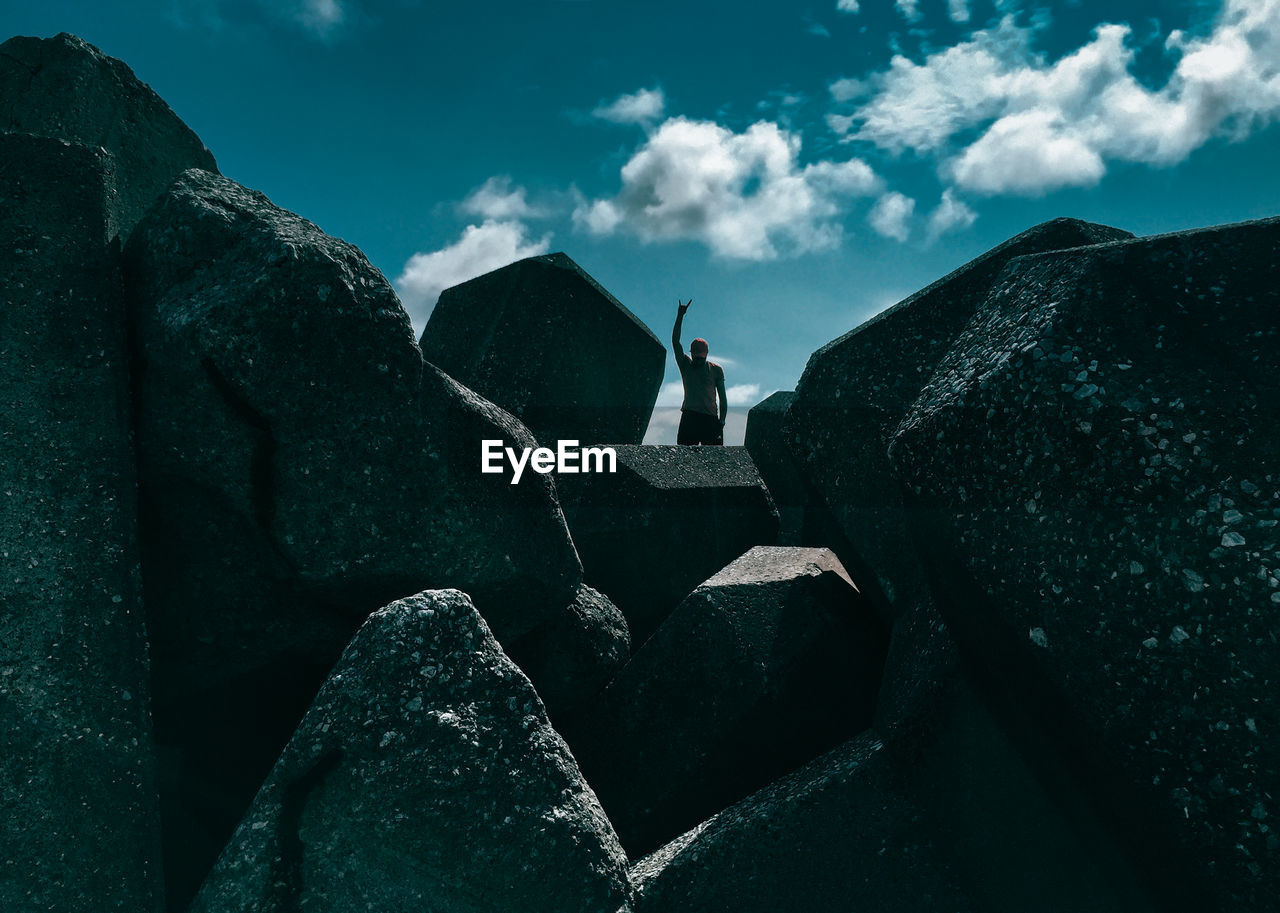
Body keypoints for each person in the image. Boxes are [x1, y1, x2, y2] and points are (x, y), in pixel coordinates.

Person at [671, 298, 728, 445]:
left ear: (706, 355)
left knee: (713, 463)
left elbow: (723, 397)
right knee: (684, 459)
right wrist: (680, 315)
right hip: (690, 417)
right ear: (691, 354)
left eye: (700, 358)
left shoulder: (716, 369)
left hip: (710, 419)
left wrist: (722, 421)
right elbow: (675, 342)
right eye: (695, 358)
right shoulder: (685, 365)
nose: (697, 361)